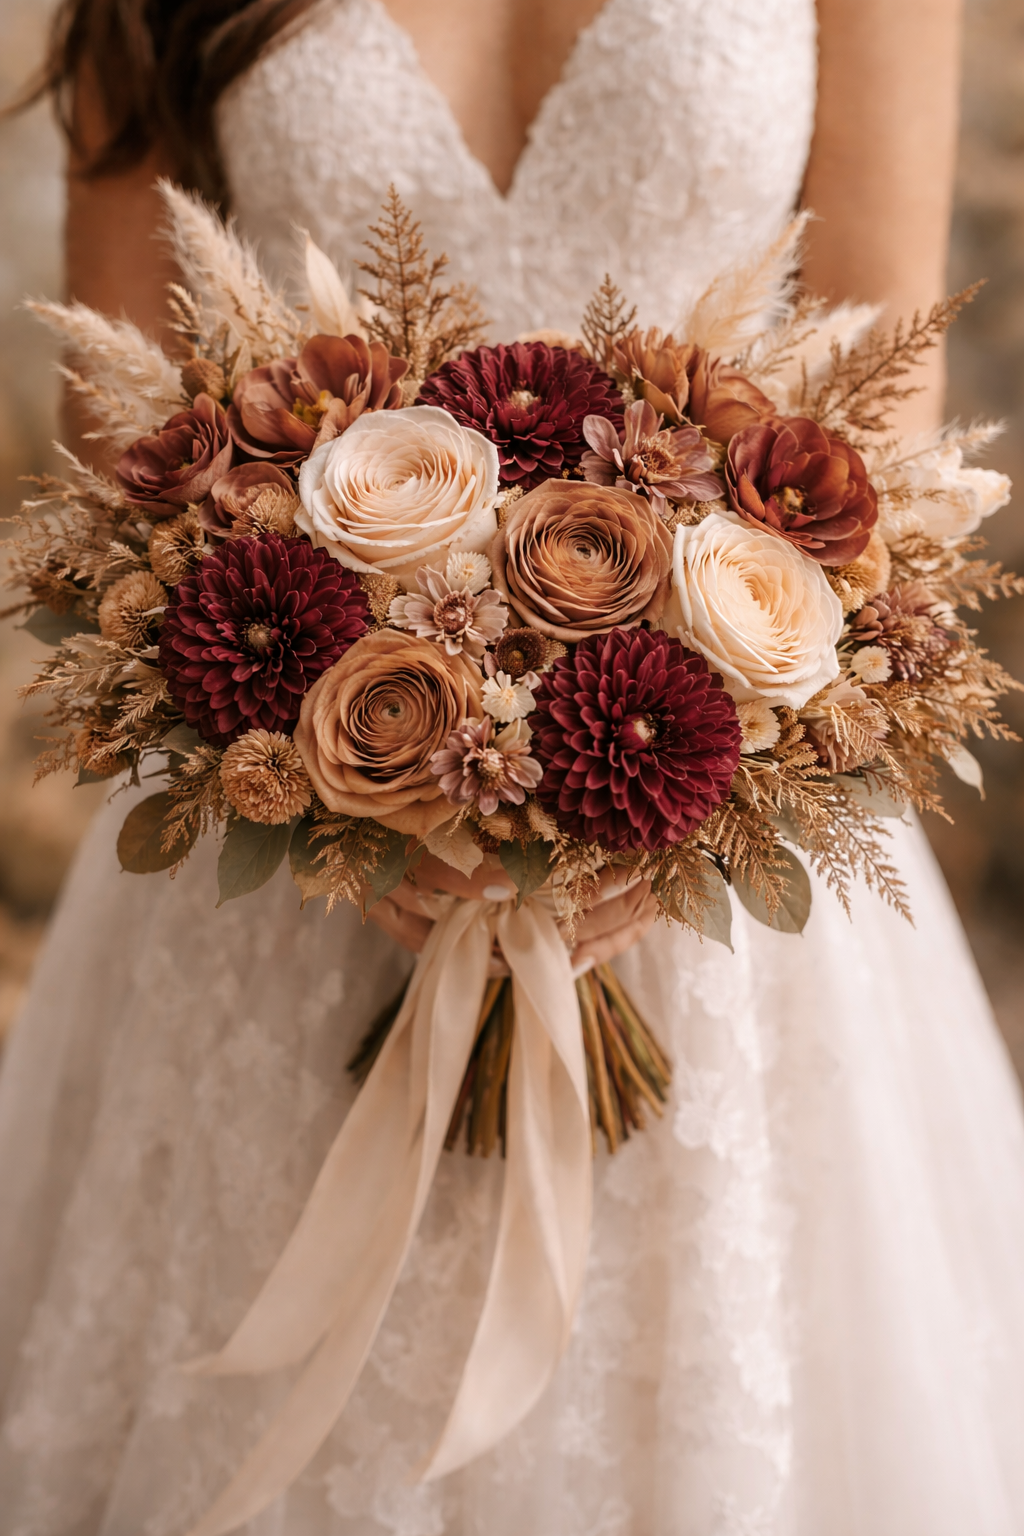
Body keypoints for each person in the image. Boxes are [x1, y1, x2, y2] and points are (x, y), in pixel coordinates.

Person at [3, 1, 1024, 1532]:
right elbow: (122, 417)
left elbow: (876, 401)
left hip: (711, 869)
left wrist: (688, 771)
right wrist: (341, 756)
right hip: (292, 858)